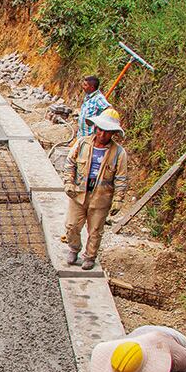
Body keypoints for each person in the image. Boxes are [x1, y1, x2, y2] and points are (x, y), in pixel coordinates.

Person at [64, 108, 127, 271]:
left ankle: (90, 256)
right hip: (78, 194)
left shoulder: (119, 153)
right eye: (100, 130)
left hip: (100, 198)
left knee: (95, 230)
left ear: (113, 133)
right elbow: (70, 163)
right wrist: (69, 182)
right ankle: (73, 249)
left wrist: (118, 200)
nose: (102, 135)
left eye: (107, 132)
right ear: (95, 128)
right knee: (72, 225)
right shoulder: (82, 143)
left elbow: (120, 178)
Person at [76, 74, 111, 139]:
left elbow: (110, 110)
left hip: (90, 137)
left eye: (85, 85)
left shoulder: (99, 98)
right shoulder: (88, 96)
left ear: (92, 87)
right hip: (82, 135)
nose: (83, 86)